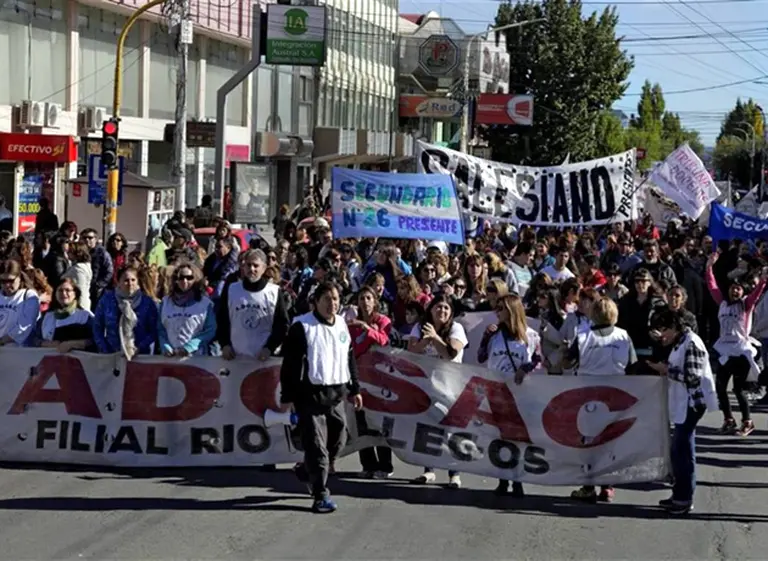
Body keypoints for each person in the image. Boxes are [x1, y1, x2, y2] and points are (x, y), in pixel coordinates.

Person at [280, 282, 363, 514]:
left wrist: (355, 389)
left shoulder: (341, 327)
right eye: (326, 299)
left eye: (335, 299)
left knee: (339, 440)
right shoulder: (302, 327)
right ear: (315, 301)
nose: (332, 304)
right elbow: (290, 365)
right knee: (317, 448)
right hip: (309, 396)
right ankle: (320, 494)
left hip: (336, 394)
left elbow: (349, 358)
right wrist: (287, 396)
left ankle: (307, 471)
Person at [564, 297, 636, 503]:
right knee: (610, 441)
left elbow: (568, 362)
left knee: (588, 441)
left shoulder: (583, 335)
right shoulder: (623, 336)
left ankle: (588, 486)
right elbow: (632, 365)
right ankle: (608, 485)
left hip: (589, 396)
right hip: (615, 395)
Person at [649, 308, 718, 515]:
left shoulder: (692, 342)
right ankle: (679, 494)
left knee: (683, 451)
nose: (663, 334)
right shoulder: (680, 342)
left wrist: (665, 370)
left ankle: (684, 498)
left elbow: (692, 376)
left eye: (665, 329)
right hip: (683, 403)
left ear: (675, 327)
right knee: (679, 450)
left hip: (692, 403)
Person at [477, 293, 540, 498]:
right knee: (499, 437)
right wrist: (486, 337)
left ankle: (518, 479)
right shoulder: (495, 334)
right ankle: (502, 479)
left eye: (501, 309)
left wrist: (525, 369)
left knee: (517, 439)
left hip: (520, 393)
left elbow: (539, 360)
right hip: (496, 392)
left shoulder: (530, 336)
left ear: (512, 310)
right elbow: (481, 357)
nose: (497, 313)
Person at [408, 294, 468, 488]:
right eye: (438, 307)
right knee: (427, 428)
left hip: (451, 387)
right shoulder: (420, 326)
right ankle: (429, 470)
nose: (441, 311)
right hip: (426, 386)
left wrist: (434, 337)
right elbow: (412, 351)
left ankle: (454, 474)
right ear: (431, 309)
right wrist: (427, 339)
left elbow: (450, 354)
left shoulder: (456, 328)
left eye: (446, 308)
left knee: (451, 430)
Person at [705, 252, 766, 436]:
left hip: (740, 352)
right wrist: (709, 267)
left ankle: (747, 422)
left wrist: (763, 280)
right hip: (725, 352)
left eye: (739, 289)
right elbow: (711, 285)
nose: (735, 291)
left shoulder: (746, 305)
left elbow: (756, 295)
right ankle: (728, 420)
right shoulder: (722, 303)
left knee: (738, 390)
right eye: (733, 288)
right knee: (721, 388)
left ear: (743, 291)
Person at [347, 286, 393, 479]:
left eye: (368, 298)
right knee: (360, 422)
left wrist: (368, 330)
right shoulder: (352, 325)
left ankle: (385, 466)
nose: (365, 302)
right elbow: (350, 350)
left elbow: (385, 341)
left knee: (379, 424)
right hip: (359, 378)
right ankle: (368, 464)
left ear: (375, 301)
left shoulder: (383, 321)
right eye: (361, 298)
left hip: (379, 379)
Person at [217, 249, 290, 361]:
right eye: (248, 265)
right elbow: (222, 319)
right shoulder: (231, 289)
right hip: (235, 357)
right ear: (243, 266)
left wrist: (269, 348)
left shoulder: (274, 292)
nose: (252, 269)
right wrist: (225, 344)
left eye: (256, 266)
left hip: (264, 358)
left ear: (264, 268)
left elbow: (282, 324)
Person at [92, 265, 158, 358]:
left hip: (140, 355)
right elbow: (97, 327)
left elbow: (154, 330)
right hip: (111, 356)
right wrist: (104, 349)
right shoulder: (106, 300)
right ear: (118, 282)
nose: (130, 283)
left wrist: (140, 347)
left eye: (133, 280)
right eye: (126, 280)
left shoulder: (147, 303)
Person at [158, 263, 217, 357]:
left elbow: (210, 330)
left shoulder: (205, 303)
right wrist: (165, 346)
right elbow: (160, 329)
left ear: (196, 279)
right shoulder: (165, 302)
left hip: (196, 358)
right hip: (170, 358)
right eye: (180, 278)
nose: (184, 281)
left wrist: (190, 347)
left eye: (189, 278)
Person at [37, 278, 94, 352]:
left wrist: (72, 344)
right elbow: (35, 339)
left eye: (67, 290)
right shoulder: (46, 317)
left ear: (75, 293)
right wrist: (45, 343)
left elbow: (96, 340)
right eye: (60, 290)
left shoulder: (84, 316)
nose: (63, 293)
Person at [0, 260, 40, 347]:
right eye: (3, 281)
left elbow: (25, 326)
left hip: (20, 351)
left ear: (19, 277)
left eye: (11, 281)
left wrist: (3, 341)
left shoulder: (29, 296)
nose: (7, 285)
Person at [80, 228, 113, 306]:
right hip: (84, 288)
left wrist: (98, 286)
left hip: (97, 291)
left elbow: (109, 271)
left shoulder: (102, 253)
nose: (87, 240)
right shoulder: (81, 253)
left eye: (90, 238)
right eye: (84, 238)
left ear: (96, 239)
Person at [63, 241, 93, 311]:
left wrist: (80, 308)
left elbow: (80, 289)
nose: (67, 253)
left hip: (79, 306)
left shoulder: (79, 270)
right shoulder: (80, 266)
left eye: (70, 251)